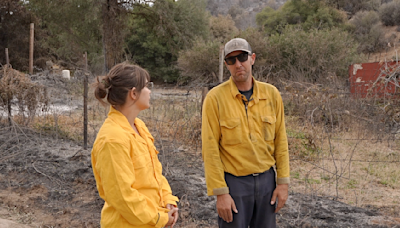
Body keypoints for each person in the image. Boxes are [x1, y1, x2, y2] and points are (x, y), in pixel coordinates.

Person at [201, 38, 290, 228]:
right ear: (226, 65)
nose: (238, 64)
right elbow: (210, 149)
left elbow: (281, 141)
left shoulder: (272, 94)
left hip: (267, 182)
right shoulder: (215, 98)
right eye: (231, 60)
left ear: (253, 58)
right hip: (234, 185)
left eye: (242, 57)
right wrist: (221, 193)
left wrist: (282, 183)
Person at [91, 62, 179, 228]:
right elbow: (123, 197)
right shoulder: (112, 139)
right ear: (133, 93)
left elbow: (156, 173)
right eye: (146, 86)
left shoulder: (139, 127)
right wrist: (160, 218)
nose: (150, 91)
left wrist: (168, 201)